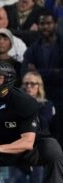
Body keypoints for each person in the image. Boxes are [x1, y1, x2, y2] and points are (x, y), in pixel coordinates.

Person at [22, 11, 63, 147]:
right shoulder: (31, 50)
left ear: (56, 25)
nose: (45, 27)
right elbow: (25, 74)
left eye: (48, 23)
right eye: (42, 24)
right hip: (37, 103)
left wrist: (37, 71)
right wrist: (54, 72)